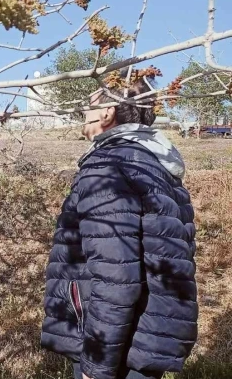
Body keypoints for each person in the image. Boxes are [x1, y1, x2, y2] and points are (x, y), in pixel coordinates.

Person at [40, 76, 198, 379]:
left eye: (89, 106)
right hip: (146, 334)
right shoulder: (152, 163)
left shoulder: (106, 168)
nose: (83, 114)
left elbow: (116, 277)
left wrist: (96, 367)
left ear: (107, 112)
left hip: (118, 347)